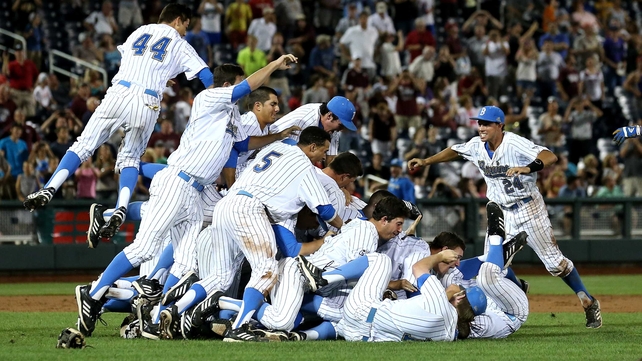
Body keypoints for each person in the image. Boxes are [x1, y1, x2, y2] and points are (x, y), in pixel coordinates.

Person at [74, 54, 300, 338]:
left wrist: (277, 137)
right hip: (177, 180)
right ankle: (93, 294)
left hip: (196, 192)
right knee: (144, 248)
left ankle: (156, 317)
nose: (244, 89)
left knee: (184, 263)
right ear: (227, 85)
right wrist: (275, 65)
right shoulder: (208, 98)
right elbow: (243, 90)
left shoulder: (230, 114)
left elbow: (243, 143)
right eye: (239, 83)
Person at [24, 4, 214, 242]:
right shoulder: (178, 42)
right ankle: (121, 207)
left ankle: (49, 188)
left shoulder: (139, 31)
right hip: (147, 102)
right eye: (185, 25)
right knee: (130, 159)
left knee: (83, 146)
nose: (185, 31)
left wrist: (162, 76)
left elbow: (138, 61)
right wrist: (218, 101)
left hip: (118, 93)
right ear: (177, 20)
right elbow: (206, 76)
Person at [408, 105, 603, 329]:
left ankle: (588, 302)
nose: (481, 127)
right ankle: (517, 285)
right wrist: (426, 162)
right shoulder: (476, 146)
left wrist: (529, 168)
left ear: (500, 125)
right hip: (499, 210)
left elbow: (550, 156)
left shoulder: (513, 143)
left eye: (487, 124)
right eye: (479, 123)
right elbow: (455, 150)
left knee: (556, 265)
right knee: (492, 265)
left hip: (528, 209)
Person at [268, 96, 356, 166]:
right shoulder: (303, 118)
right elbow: (270, 134)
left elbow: (331, 160)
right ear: (329, 116)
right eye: (341, 125)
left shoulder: (332, 127)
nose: (340, 130)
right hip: (274, 158)